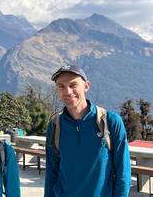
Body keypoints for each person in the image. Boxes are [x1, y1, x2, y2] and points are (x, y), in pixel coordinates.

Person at [44, 65, 131, 197]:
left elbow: (123, 172)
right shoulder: (55, 125)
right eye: (61, 86)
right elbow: (51, 172)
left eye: (73, 85)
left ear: (86, 86)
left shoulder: (110, 121)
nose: (67, 91)